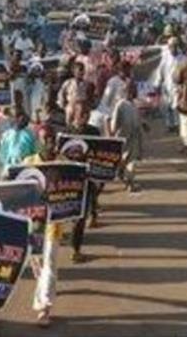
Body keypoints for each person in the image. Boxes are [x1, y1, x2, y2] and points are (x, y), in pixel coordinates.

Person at [22, 125, 63, 326]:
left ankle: (44, 308)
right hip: (33, 224)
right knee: (38, 264)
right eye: (45, 138)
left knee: (49, 264)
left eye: (52, 138)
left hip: (53, 224)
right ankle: (44, 288)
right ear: (38, 141)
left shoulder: (64, 164)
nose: (49, 142)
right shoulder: (28, 164)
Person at [66, 101, 101, 263]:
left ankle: (75, 249)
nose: (84, 117)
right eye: (81, 114)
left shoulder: (94, 132)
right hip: (69, 182)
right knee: (71, 215)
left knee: (80, 216)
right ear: (74, 114)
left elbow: (101, 154)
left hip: (87, 180)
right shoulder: (66, 134)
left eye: (87, 114)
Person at [110, 80, 145, 194]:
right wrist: (113, 132)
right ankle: (121, 172)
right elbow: (114, 123)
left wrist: (143, 125)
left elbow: (138, 119)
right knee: (123, 159)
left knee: (132, 161)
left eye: (133, 90)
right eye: (128, 90)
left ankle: (130, 181)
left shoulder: (135, 104)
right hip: (123, 137)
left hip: (134, 137)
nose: (131, 92)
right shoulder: (120, 105)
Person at [153, 37, 184, 133]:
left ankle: (177, 125)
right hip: (167, 85)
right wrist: (157, 83)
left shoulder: (182, 58)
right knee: (167, 107)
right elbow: (160, 71)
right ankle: (169, 125)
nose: (173, 48)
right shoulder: (165, 57)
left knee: (176, 107)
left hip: (178, 87)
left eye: (174, 46)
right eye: (171, 46)